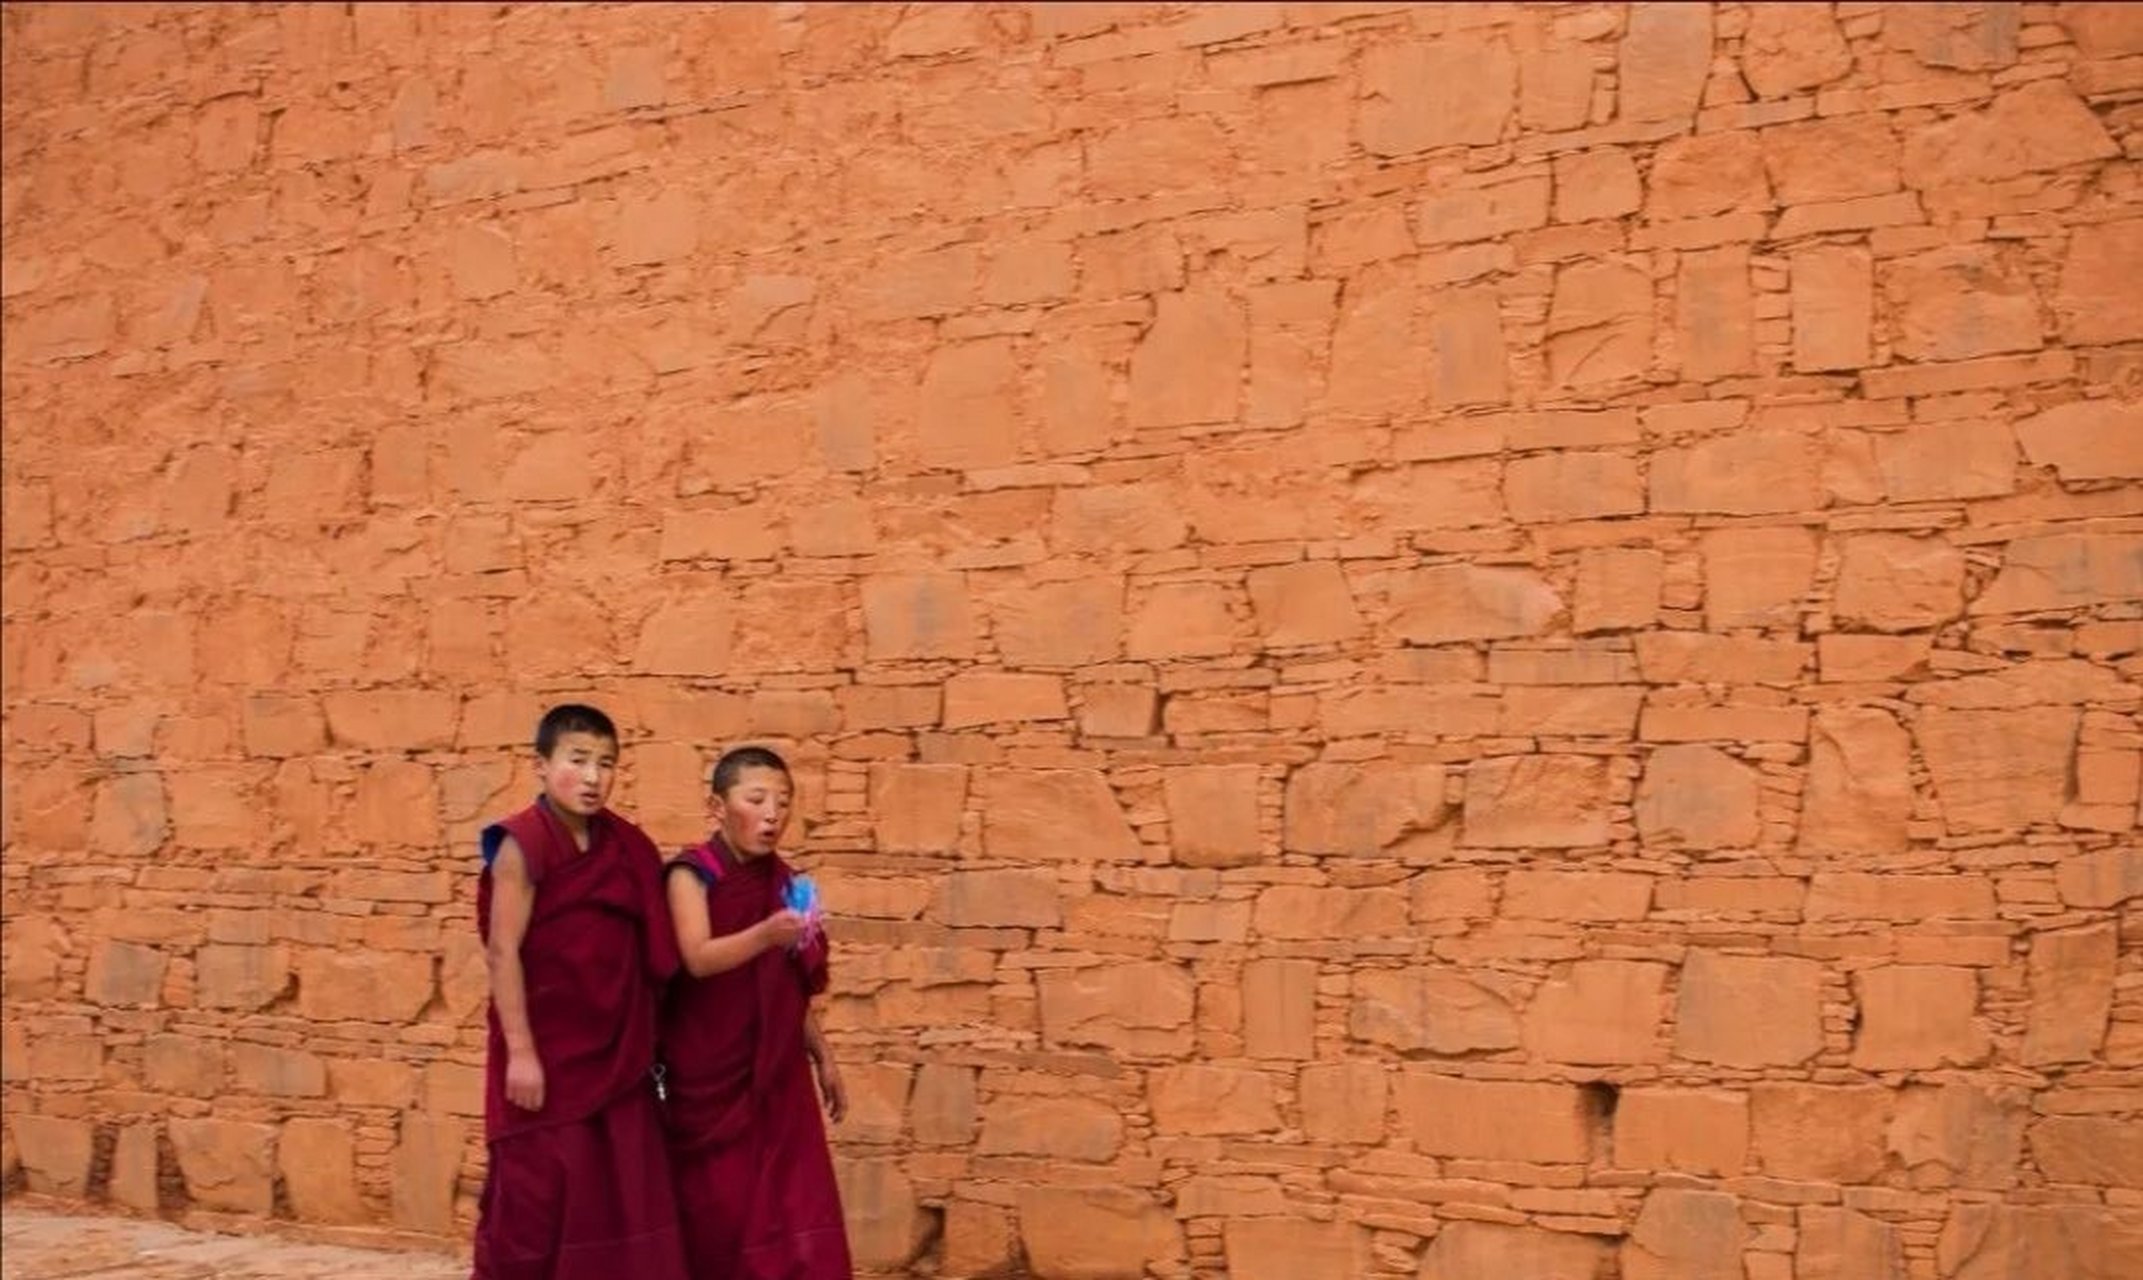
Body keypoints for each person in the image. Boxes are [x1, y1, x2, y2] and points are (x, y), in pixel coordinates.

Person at [472, 703, 687, 1280]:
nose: (593, 777)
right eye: (578, 760)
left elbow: (658, 951)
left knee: (620, 1191)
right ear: (541, 765)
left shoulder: (629, 847)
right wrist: (521, 1053)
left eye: (606, 763)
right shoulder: (522, 844)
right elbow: (502, 951)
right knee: (539, 1195)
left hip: (617, 1052)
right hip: (546, 1053)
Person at [661, 745, 853, 1280]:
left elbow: (790, 986)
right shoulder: (689, 875)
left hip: (777, 1076)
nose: (773, 814)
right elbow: (698, 957)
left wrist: (823, 1055)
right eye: (757, 799)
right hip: (707, 1075)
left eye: (783, 802)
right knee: (719, 1216)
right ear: (717, 807)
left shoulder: (791, 885)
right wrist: (767, 934)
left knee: (797, 1212)